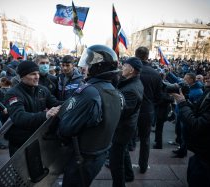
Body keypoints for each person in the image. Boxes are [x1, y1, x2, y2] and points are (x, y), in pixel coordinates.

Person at [57, 45, 123, 186]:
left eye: (88, 64)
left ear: (98, 67)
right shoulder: (115, 91)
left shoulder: (89, 92)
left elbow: (66, 128)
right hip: (100, 153)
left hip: (83, 157)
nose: (83, 68)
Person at [172, 61, 210, 186]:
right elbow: (195, 111)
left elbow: (198, 125)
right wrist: (185, 101)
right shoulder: (209, 92)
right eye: (207, 73)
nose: (206, 76)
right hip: (200, 151)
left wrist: (182, 103)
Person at [4, 60, 62, 156]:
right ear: (22, 76)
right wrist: (45, 115)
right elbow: (19, 117)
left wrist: (75, 99)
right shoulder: (13, 93)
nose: (37, 77)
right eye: (32, 74)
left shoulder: (42, 90)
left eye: (38, 73)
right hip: (21, 143)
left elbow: (55, 103)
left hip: (39, 139)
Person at [109, 57, 144, 187]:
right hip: (127, 127)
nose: (122, 67)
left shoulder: (131, 89)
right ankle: (129, 174)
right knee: (122, 151)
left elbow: (122, 112)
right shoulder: (131, 82)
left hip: (123, 129)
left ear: (131, 70)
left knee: (115, 162)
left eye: (125, 65)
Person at [134, 46, 163, 173]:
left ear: (136, 56)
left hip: (132, 109)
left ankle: (125, 165)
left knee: (125, 138)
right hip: (147, 110)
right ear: (147, 56)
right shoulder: (155, 73)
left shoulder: (131, 71)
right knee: (145, 139)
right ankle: (143, 165)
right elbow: (159, 96)